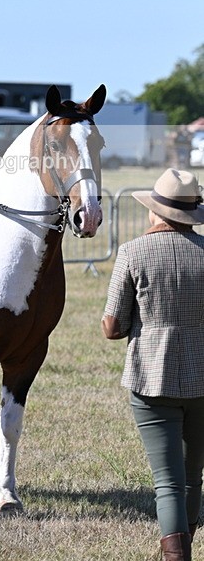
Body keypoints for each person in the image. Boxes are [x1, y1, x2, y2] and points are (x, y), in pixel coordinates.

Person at [102, 168, 204, 561]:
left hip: (151, 378)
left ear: (155, 212)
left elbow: (112, 328)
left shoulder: (132, 252)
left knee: (167, 483)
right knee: (192, 477)